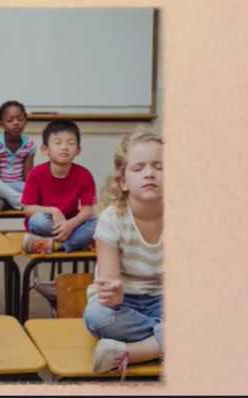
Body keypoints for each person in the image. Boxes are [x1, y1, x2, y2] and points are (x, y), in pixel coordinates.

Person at [83, 130, 164, 378]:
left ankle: (130, 351)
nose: (149, 173)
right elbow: (108, 289)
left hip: (164, 301)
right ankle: (172, 341)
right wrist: (115, 294)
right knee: (96, 315)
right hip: (123, 304)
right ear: (123, 182)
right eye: (138, 168)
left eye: (159, 166)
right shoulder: (111, 219)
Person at [20, 120, 97, 254]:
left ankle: (55, 245)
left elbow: (87, 210)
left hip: (71, 224)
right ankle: (75, 242)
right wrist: (53, 211)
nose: (64, 147)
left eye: (71, 143)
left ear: (78, 150)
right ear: (45, 150)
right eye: (58, 142)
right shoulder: (35, 173)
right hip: (48, 224)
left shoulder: (84, 174)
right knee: (37, 221)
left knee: (98, 224)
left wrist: (70, 224)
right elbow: (28, 209)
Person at [0, 100, 36, 210]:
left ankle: (5, 202)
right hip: (0, 185)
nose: (16, 123)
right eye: (10, 120)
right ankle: (18, 201)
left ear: (26, 120)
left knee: (34, 187)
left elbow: (27, 176)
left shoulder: (29, 144)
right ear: (2, 124)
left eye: (20, 119)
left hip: (18, 185)